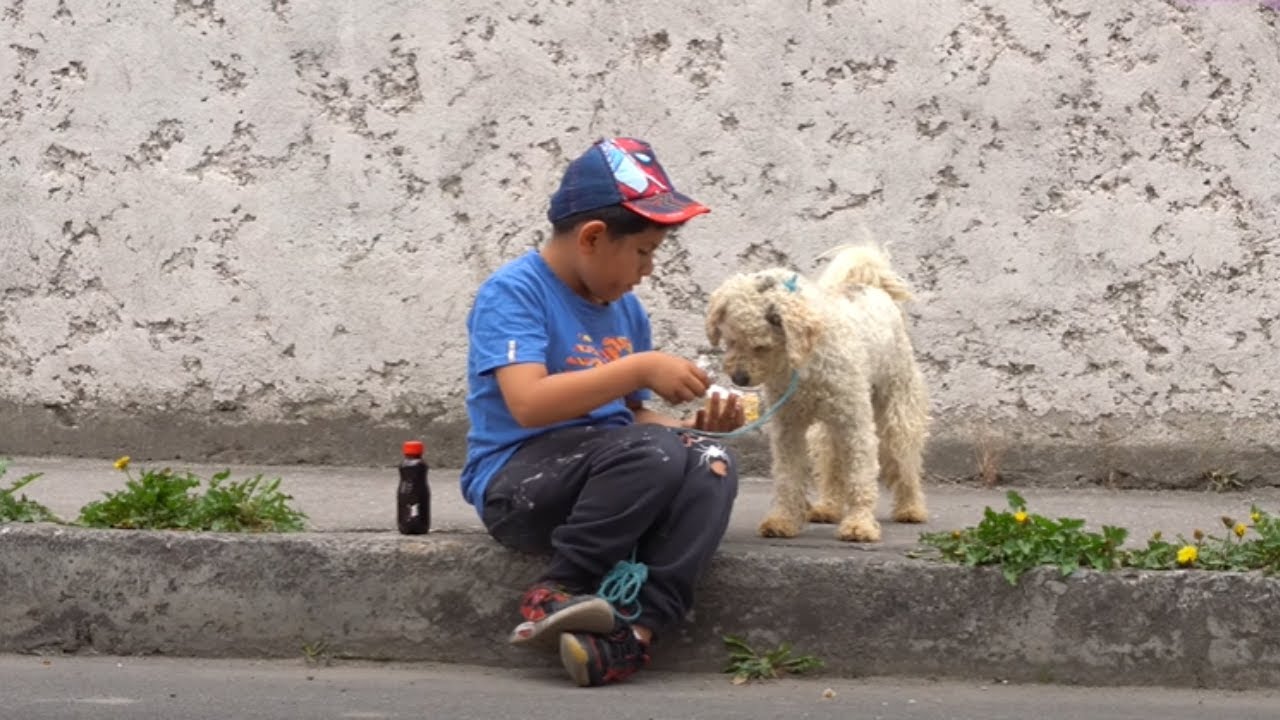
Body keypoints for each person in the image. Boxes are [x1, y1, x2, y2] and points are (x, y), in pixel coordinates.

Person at [459, 137, 745, 687]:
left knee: (711, 461)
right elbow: (529, 403)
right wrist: (639, 368)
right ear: (593, 237)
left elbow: (627, 422)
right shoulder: (513, 293)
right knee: (658, 453)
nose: (649, 270)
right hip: (520, 486)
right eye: (643, 252)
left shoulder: (625, 310)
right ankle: (559, 589)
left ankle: (636, 634)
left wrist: (689, 431)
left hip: (607, 476)